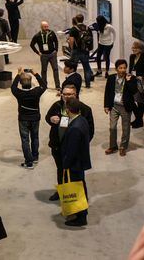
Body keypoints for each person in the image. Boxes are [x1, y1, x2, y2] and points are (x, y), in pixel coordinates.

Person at [45, 84, 94, 201]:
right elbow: (47, 117)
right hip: (58, 147)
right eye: (65, 94)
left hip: (74, 150)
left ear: (75, 95)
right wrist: (51, 119)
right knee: (60, 170)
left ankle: (79, 201)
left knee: (76, 176)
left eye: (70, 94)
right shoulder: (57, 105)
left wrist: (80, 147)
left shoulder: (85, 109)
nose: (67, 97)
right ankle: (61, 190)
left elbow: (90, 132)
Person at [61, 97, 92, 227]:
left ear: (68, 110)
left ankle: (81, 217)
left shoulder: (74, 128)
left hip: (75, 164)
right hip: (81, 161)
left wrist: (65, 165)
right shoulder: (82, 120)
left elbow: (71, 151)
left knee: (77, 189)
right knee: (81, 185)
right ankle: (81, 212)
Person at [11, 67, 47, 169]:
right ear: (31, 82)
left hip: (23, 119)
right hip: (35, 118)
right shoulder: (36, 91)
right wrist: (35, 73)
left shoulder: (18, 93)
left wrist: (18, 74)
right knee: (35, 137)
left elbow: (13, 87)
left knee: (25, 140)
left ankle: (29, 161)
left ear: (21, 84)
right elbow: (44, 85)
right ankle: (35, 157)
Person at [104, 59, 137, 156]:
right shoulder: (111, 78)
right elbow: (107, 92)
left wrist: (129, 81)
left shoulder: (131, 78)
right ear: (116, 69)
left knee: (126, 128)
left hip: (125, 106)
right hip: (114, 106)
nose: (123, 70)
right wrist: (106, 105)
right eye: (120, 68)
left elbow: (134, 91)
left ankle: (123, 147)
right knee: (112, 127)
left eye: (124, 68)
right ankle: (113, 146)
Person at [29, 21, 60, 89]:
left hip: (52, 54)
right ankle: (44, 85)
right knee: (44, 70)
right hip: (43, 55)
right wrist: (37, 52)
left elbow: (56, 41)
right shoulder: (38, 35)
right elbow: (31, 45)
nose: (46, 28)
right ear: (41, 27)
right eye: (45, 27)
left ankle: (57, 86)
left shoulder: (51, 33)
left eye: (47, 26)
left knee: (55, 69)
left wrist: (56, 50)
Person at [68, 14, 93, 88]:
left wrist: (71, 48)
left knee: (73, 67)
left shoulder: (74, 29)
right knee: (87, 67)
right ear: (83, 19)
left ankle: (73, 83)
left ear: (76, 19)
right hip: (85, 51)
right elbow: (91, 39)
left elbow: (71, 40)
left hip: (76, 50)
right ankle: (88, 84)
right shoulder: (87, 28)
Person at [130, 41, 144, 126]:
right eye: (133, 47)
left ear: (141, 50)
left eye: (135, 48)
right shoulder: (132, 57)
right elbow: (131, 68)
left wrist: (142, 76)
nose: (133, 49)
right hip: (132, 81)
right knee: (130, 100)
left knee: (140, 102)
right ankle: (138, 118)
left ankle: (139, 120)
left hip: (140, 84)